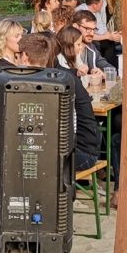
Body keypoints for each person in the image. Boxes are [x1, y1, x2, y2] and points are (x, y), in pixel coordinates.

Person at [16, 34, 102, 172]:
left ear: (24, 56)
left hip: (79, 152)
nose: (15, 60)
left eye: (16, 55)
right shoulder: (58, 77)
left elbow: (64, 134)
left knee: (19, 161)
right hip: (77, 147)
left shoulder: (53, 82)